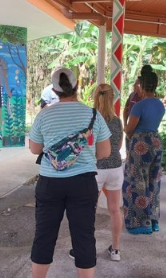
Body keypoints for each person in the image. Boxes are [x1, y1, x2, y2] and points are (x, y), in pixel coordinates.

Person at [29, 67, 111, 278]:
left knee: (44, 236)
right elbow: (105, 152)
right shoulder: (93, 114)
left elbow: (35, 149)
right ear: (77, 85)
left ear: (54, 90)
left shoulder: (44, 115)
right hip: (83, 183)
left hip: (50, 183)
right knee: (83, 237)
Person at [123, 65, 165, 234]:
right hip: (156, 141)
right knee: (154, 180)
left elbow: (130, 129)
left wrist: (125, 127)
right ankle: (154, 220)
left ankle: (140, 223)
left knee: (137, 181)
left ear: (141, 86)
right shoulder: (160, 105)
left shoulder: (139, 106)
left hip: (141, 144)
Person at [92, 83, 123, 261]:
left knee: (89, 210)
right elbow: (118, 146)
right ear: (113, 98)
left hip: (96, 169)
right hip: (115, 168)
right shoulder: (117, 121)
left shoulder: (92, 119)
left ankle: (85, 249)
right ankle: (116, 250)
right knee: (114, 210)